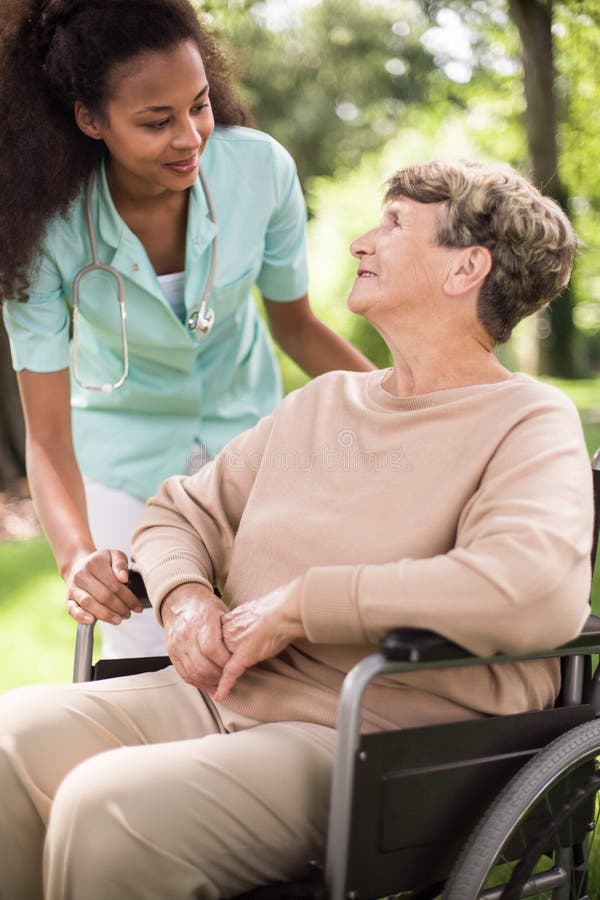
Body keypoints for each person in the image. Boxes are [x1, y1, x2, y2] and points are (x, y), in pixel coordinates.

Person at [0, 160, 593, 900]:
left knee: (107, 808)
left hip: (373, 739)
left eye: (395, 224)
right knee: (7, 739)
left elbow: (533, 590)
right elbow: (180, 511)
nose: (360, 243)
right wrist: (184, 598)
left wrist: (304, 605)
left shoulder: (527, 422)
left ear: (466, 267)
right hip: (218, 694)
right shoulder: (325, 403)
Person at [0, 0, 373, 660]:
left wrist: (418, 406)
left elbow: (299, 328)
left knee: (278, 659)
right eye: (156, 121)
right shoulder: (44, 234)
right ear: (91, 119)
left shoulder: (259, 171)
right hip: (123, 466)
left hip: (250, 448)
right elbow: (50, 436)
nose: (191, 136)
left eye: (198, 105)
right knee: (152, 670)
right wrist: (78, 556)